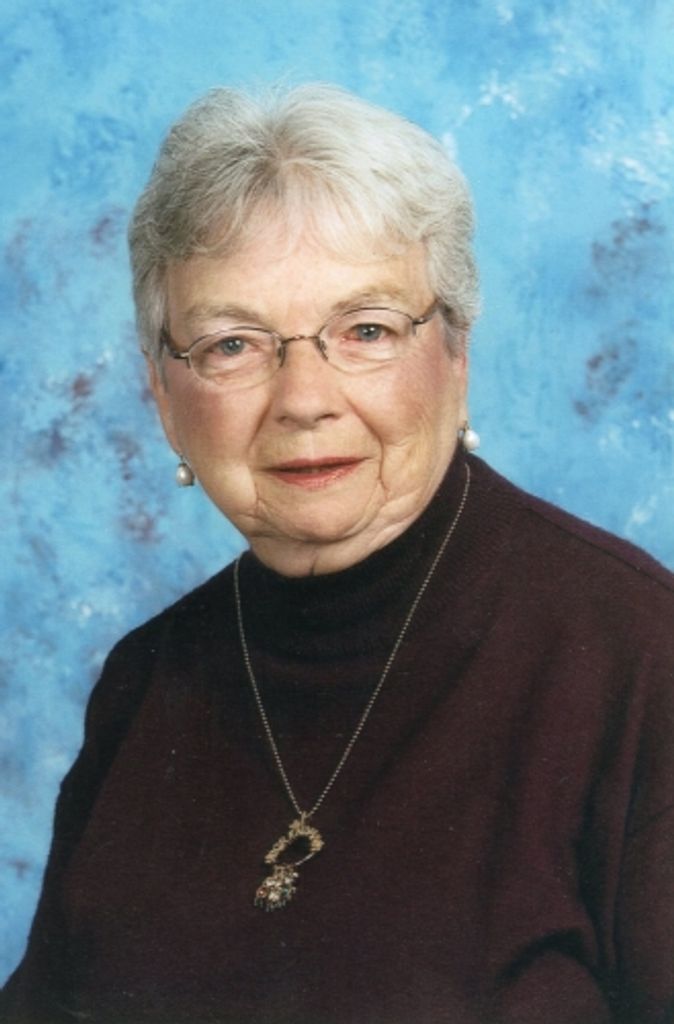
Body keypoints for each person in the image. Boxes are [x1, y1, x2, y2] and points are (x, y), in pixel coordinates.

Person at [1, 83, 673, 1024]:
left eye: (365, 330)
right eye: (233, 345)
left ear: (456, 354)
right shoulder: (143, 683)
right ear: (163, 393)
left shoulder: (640, 658)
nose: (304, 399)